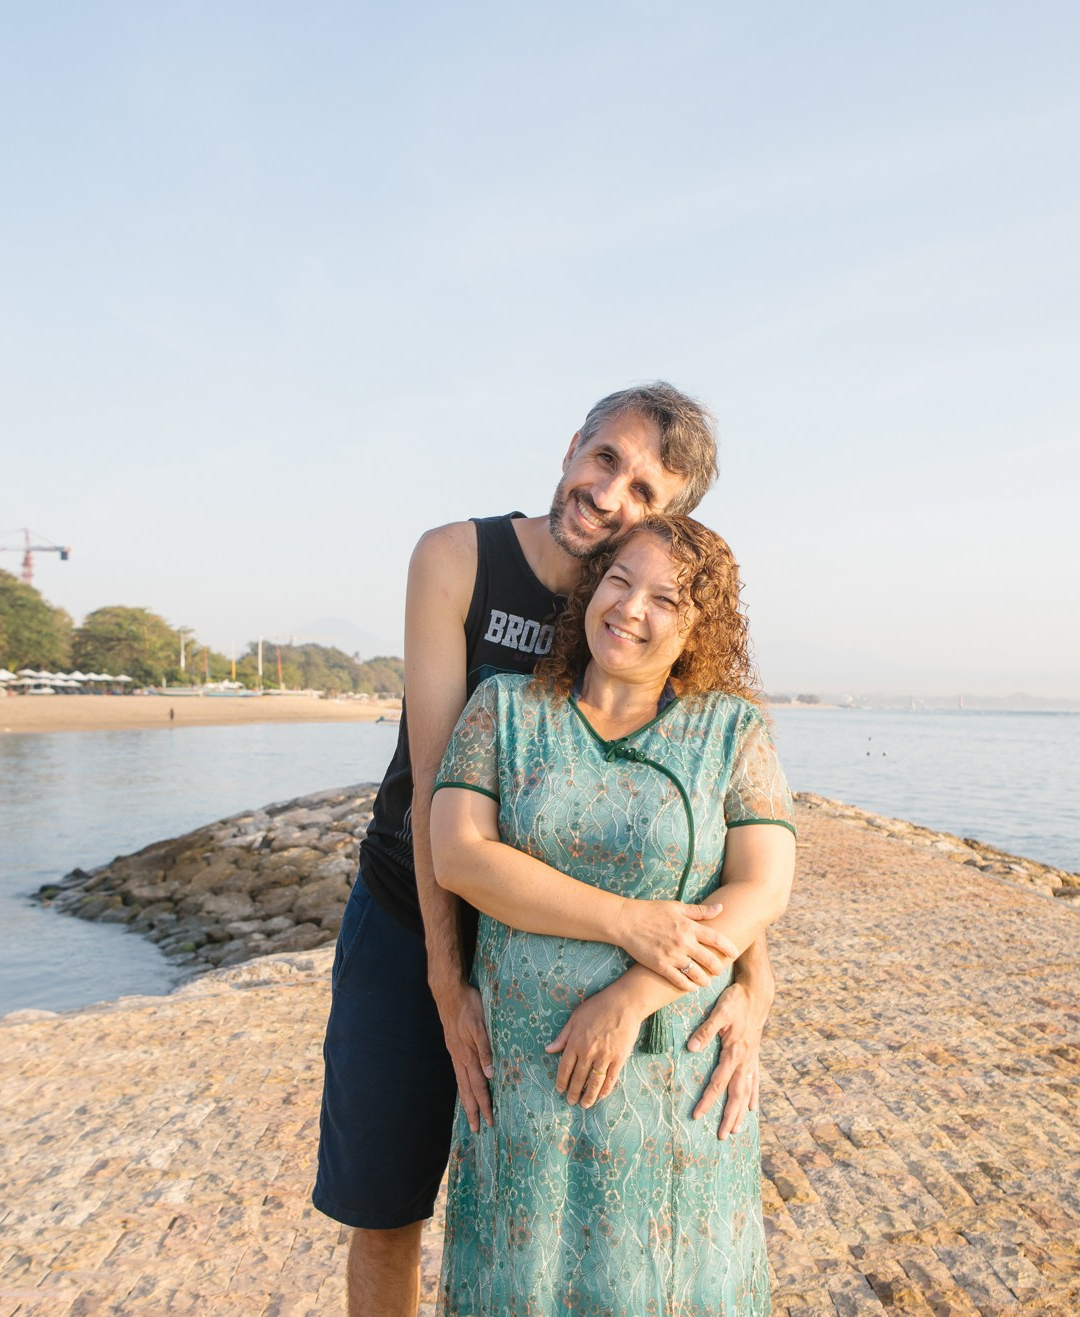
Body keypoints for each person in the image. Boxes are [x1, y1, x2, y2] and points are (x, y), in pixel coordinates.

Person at [313, 384, 779, 1316]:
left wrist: (752, 976)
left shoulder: (636, 614)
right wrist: (448, 979)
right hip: (420, 910)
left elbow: (704, 834)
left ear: (669, 521)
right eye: (606, 458)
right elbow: (440, 796)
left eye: (645, 492)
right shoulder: (459, 558)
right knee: (386, 1205)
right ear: (574, 445)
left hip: (567, 951)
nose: (611, 496)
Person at [427, 515, 796, 1314]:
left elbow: (761, 888)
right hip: (521, 1081)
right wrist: (626, 920)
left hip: (675, 1088)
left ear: (700, 626)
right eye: (619, 581)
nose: (630, 607)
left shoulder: (733, 730)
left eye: (665, 598)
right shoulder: (504, 708)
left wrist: (631, 997)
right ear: (591, 589)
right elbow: (459, 856)